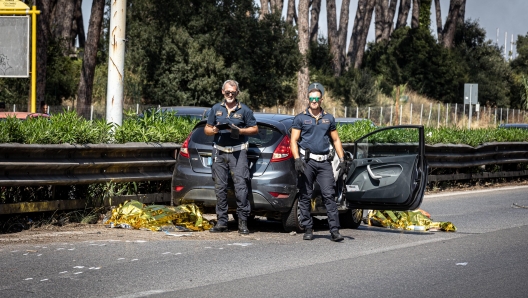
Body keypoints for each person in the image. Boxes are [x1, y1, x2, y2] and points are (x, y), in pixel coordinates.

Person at [290, 82, 348, 242]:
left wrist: (342, 159)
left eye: (316, 98)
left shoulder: (328, 118)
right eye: (311, 98)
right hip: (307, 161)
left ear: (321, 99)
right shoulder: (300, 118)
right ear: (308, 99)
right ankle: (308, 228)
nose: (314, 101)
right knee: (305, 195)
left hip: (324, 163)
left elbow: (336, 140)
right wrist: (297, 159)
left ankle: (334, 231)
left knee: (329, 196)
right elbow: (293, 140)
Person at [204, 80, 258, 235]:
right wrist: (213, 130)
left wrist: (241, 131)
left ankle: (243, 223)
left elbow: (254, 129)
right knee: (220, 188)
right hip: (219, 152)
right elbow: (206, 129)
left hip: (238, 152)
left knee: (241, 188)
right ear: (222, 91)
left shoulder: (245, 110)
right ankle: (222, 222)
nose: (230, 94)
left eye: (233, 92)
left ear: (237, 93)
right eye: (227, 92)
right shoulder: (216, 108)